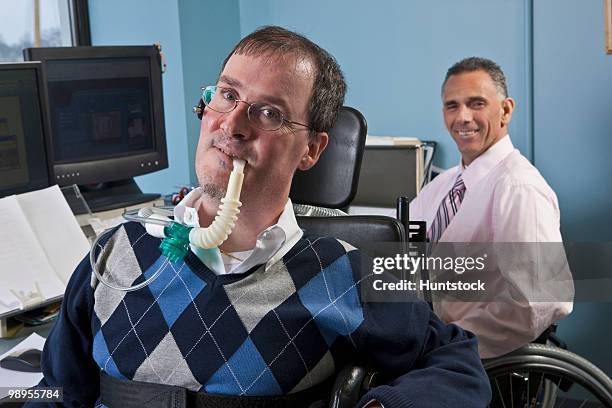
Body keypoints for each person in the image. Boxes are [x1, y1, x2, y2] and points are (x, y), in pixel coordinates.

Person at [30, 28, 490, 407]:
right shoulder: (113, 255)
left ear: (312, 149)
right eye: (227, 95)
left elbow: (460, 364)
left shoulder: (350, 275)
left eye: (269, 113)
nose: (232, 124)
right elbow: (53, 389)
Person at [410, 57, 574, 358]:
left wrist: (452, 340)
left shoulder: (519, 187)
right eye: (452, 106)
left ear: (506, 110)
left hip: (463, 352)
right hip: (420, 333)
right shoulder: (443, 184)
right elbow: (401, 240)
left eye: (476, 103)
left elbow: (543, 300)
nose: (462, 117)